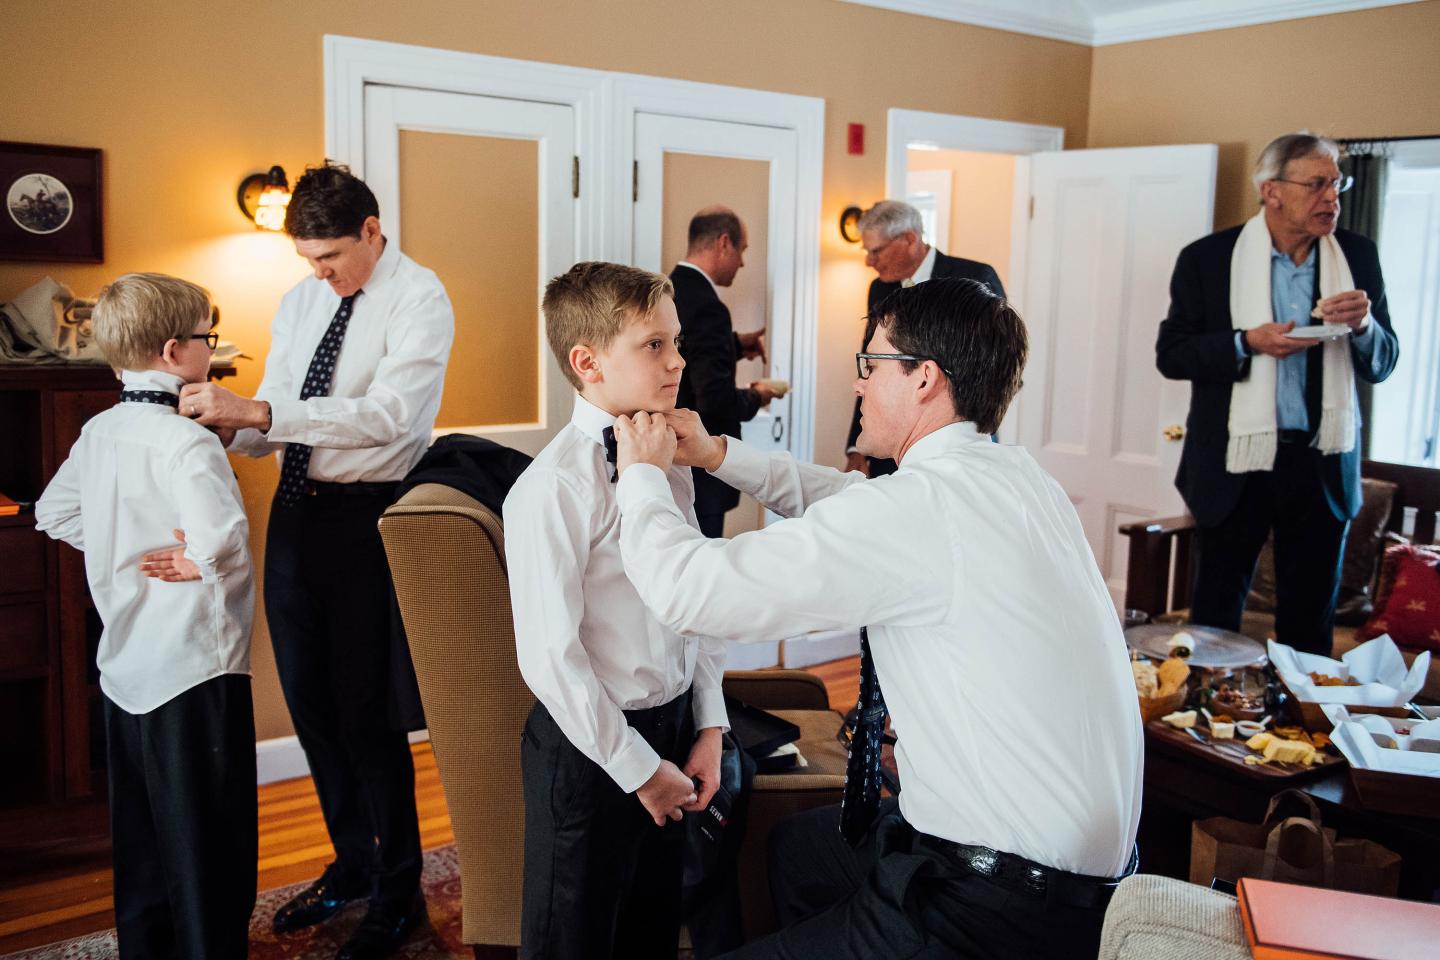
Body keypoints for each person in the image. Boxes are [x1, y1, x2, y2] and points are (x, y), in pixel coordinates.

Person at [612, 277, 1141, 960]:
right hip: (1078, 881)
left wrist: (643, 474)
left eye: (871, 363)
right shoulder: (1018, 480)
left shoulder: (918, 511)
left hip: (995, 907)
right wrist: (717, 454)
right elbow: (852, 500)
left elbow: (688, 591)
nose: (858, 384)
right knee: (798, 851)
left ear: (925, 378)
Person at [180, 164, 454, 959]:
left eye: (330, 256)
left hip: (370, 520)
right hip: (296, 517)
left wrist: (262, 411)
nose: (320, 273)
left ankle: (400, 892)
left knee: (367, 714)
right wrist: (225, 426)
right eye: (308, 259)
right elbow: (272, 417)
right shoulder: (302, 302)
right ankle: (353, 864)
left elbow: (390, 416)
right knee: (310, 704)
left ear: (371, 230)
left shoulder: (420, 298)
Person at [504, 261, 730, 960]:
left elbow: (696, 600)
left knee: (649, 933)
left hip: (675, 734)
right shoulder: (550, 490)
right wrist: (638, 770)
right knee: (573, 938)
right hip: (589, 750)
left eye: (676, 342)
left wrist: (709, 724)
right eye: (655, 345)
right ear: (587, 363)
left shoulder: (670, 459)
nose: (678, 361)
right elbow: (551, 657)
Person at [35, 273, 256, 959]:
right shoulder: (187, 442)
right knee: (210, 843)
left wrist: (118, 546)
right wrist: (197, 559)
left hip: (126, 668)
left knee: (143, 838)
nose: (210, 350)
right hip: (195, 667)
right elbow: (223, 537)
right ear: (173, 351)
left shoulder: (99, 430)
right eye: (207, 338)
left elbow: (54, 512)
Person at [1157, 133, 1399, 657]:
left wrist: (1364, 326)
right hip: (1232, 464)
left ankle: (1297, 709)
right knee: (1215, 618)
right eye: (1317, 184)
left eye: (1337, 184)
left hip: (1321, 463)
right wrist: (1246, 342)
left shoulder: (1357, 256)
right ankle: (1206, 708)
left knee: (1309, 624)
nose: (1332, 197)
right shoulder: (1208, 259)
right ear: (1271, 191)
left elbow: (1383, 362)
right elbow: (1172, 354)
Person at [845, 200, 1006, 477]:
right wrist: (857, 446)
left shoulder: (975, 277)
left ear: (909, 239)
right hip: (889, 448)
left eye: (876, 251)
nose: (869, 262)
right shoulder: (879, 289)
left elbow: (995, 365)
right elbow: (871, 366)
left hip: (955, 444)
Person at [671, 205, 780, 536]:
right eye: (742, 250)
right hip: (700, 468)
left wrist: (734, 345)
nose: (742, 262)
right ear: (723, 243)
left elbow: (685, 355)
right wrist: (756, 396)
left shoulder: (667, 291)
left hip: (669, 458)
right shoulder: (710, 307)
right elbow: (715, 400)